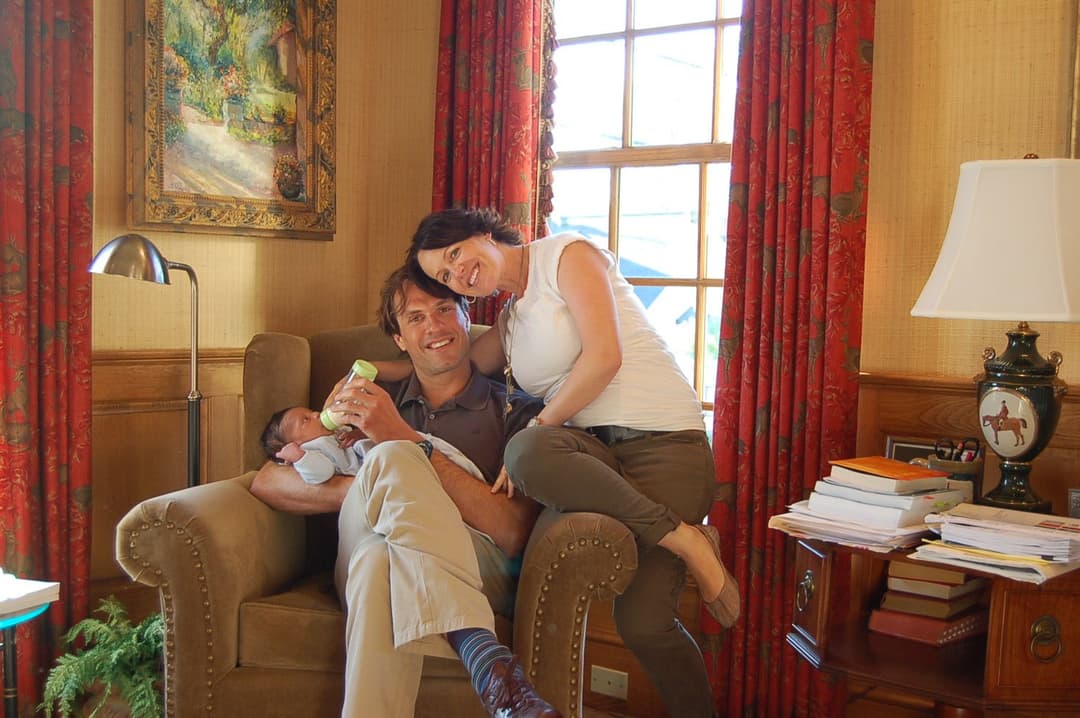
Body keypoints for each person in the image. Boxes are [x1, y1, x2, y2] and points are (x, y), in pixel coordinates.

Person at [406, 207, 739, 718]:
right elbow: (454, 363)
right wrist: (370, 370)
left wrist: (541, 424)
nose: (459, 274)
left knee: (644, 624)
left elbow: (605, 357)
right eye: (445, 276)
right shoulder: (512, 321)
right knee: (528, 454)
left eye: (455, 254)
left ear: (481, 233)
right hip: (598, 459)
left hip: (665, 446)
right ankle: (684, 538)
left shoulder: (567, 255)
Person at [249, 267, 561, 718]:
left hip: (477, 562)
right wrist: (379, 484)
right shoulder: (369, 397)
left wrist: (404, 441)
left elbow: (513, 534)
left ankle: (481, 656)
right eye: (415, 317)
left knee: (379, 557)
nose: (433, 326)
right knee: (390, 464)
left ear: (465, 315)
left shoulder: (517, 409)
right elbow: (267, 480)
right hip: (362, 537)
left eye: (444, 309)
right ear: (399, 337)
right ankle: (482, 653)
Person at [260, 404, 477, 487]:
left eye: (311, 412)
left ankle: (466, 470)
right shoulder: (312, 450)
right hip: (379, 466)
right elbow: (321, 473)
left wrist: (358, 432)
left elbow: (365, 437)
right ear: (295, 444)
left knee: (429, 445)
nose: (316, 414)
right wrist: (299, 458)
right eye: (306, 420)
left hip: (395, 447)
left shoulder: (337, 431)